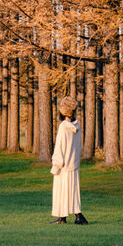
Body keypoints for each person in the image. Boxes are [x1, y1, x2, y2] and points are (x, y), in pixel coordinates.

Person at [50, 96, 88, 225]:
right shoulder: (77, 126)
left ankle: (72, 216)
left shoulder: (63, 127)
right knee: (72, 190)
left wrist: (56, 164)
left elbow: (60, 147)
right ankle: (67, 217)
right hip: (73, 163)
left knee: (61, 191)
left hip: (63, 165)